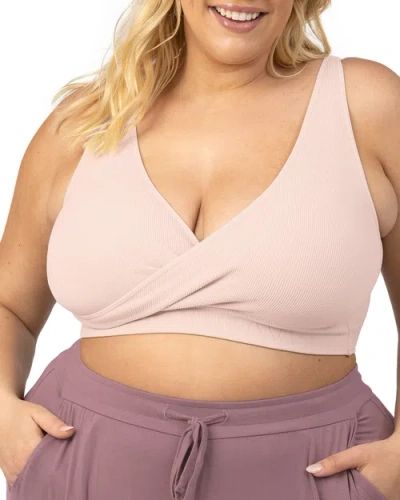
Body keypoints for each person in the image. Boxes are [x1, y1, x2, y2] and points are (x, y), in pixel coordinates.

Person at [1, 0, 400, 498]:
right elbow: (10, 305)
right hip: (79, 470)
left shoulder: (366, 106)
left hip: (314, 475)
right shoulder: (86, 121)